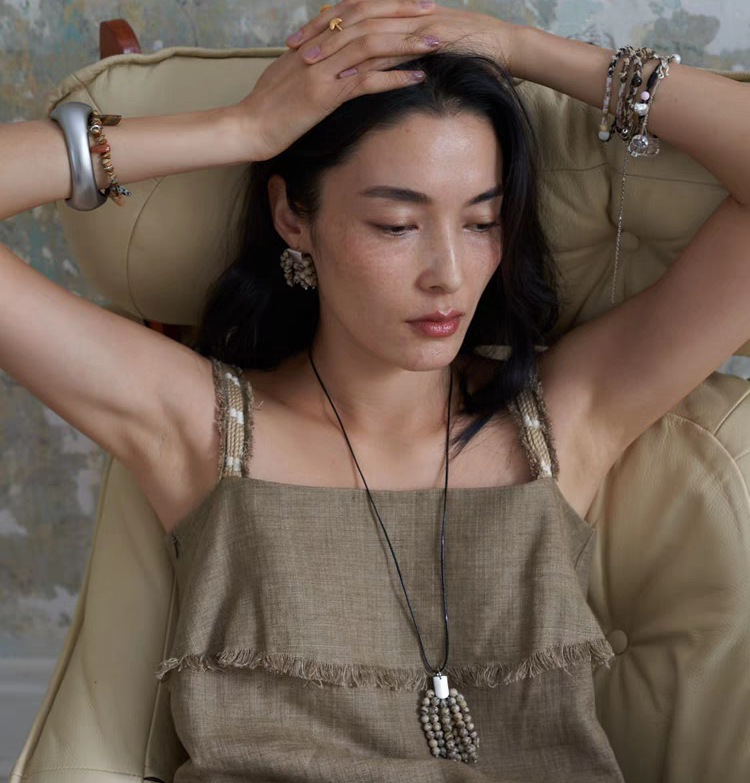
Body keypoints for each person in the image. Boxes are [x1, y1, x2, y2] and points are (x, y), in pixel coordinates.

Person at [1, 1, 749, 780]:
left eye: (482, 222)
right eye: (397, 225)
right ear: (293, 215)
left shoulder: (562, 419)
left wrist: (524, 50)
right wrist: (241, 129)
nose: (448, 275)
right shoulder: (204, 427)